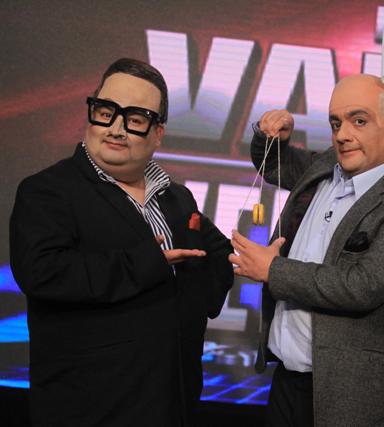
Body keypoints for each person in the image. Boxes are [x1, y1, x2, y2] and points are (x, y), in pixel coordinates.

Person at [9, 58, 234, 426]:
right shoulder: (47, 191)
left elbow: (218, 252)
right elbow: (42, 272)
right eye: (106, 112)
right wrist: (147, 263)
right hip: (90, 410)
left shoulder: (177, 197)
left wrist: (196, 303)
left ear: (157, 133)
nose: (116, 129)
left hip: (173, 406)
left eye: (135, 119)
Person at [229, 74, 384, 427]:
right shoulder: (327, 165)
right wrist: (269, 135)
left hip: (352, 399)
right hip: (286, 385)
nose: (342, 134)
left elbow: (361, 287)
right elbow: (274, 164)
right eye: (336, 123)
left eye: (359, 121)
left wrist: (273, 270)